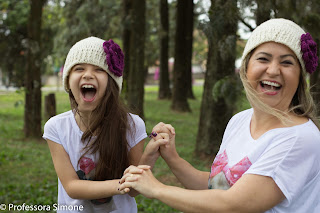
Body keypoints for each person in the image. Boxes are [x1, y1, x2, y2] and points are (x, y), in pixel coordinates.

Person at [119, 18, 320, 213]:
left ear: (300, 77)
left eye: (287, 63)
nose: (274, 70)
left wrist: (156, 189)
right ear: (246, 67)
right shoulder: (240, 120)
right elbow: (217, 188)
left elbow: (234, 204)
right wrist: (172, 157)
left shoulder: (299, 138)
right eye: (263, 58)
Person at [43, 37, 168, 212]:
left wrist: (150, 154)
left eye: (99, 69)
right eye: (79, 68)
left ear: (111, 82)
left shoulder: (132, 125)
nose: (87, 74)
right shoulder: (56, 127)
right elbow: (72, 187)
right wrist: (125, 182)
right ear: (68, 80)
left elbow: (133, 191)